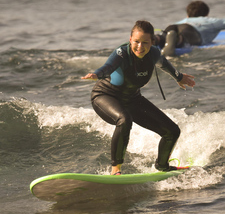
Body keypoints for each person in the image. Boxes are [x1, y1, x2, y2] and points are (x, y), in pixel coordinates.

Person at [82, 20, 196, 175]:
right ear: (130, 40)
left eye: (145, 42)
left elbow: (165, 65)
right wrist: (96, 74)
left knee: (172, 131)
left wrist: (179, 77)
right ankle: (115, 169)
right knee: (124, 120)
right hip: (105, 95)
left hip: (132, 99)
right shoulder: (121, 53)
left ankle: (162, 166)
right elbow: (108, 67)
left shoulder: (154, 53)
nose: (140, 47)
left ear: (152, 42)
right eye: (136, 41)